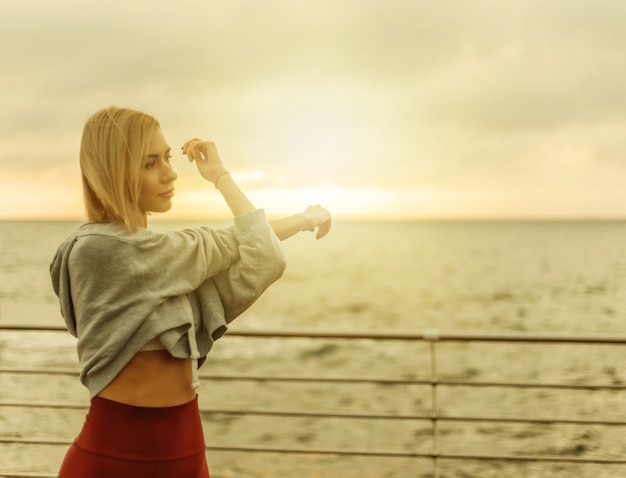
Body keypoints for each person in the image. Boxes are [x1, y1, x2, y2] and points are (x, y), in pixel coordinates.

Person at [50, 106, 331, 477]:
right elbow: (231, 241)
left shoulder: (165, 266)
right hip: (113, 459)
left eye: (166, 158)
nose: (170, 173)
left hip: (187, 454)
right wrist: (224, 179)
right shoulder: (98, 250)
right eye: (149, 164)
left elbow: (260, 255)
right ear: (113, 170)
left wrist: (223, 177)